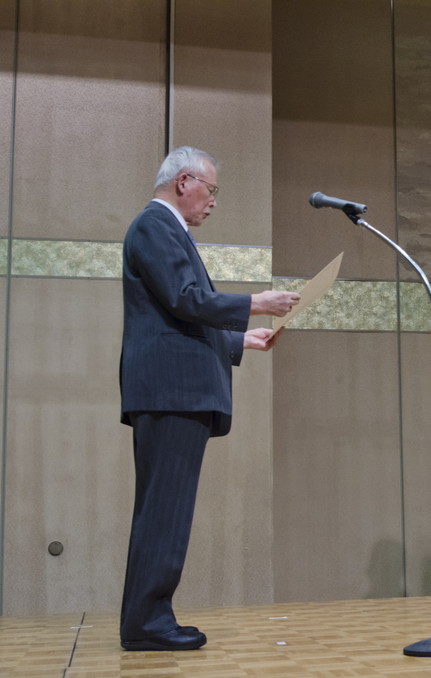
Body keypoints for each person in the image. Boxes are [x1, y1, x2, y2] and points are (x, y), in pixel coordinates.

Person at [119, 146, 301, 650]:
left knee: (164, 510)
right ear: (183, 182)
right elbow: (185, 299)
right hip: (171, 392)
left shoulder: (164, 230)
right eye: (211, 189)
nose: (213, 201)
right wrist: (255, 303)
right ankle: (146, 623)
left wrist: (241, 339)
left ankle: (149, 617)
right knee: (164, 511)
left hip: (173, 390)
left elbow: (181, 317)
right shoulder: (156, 226)